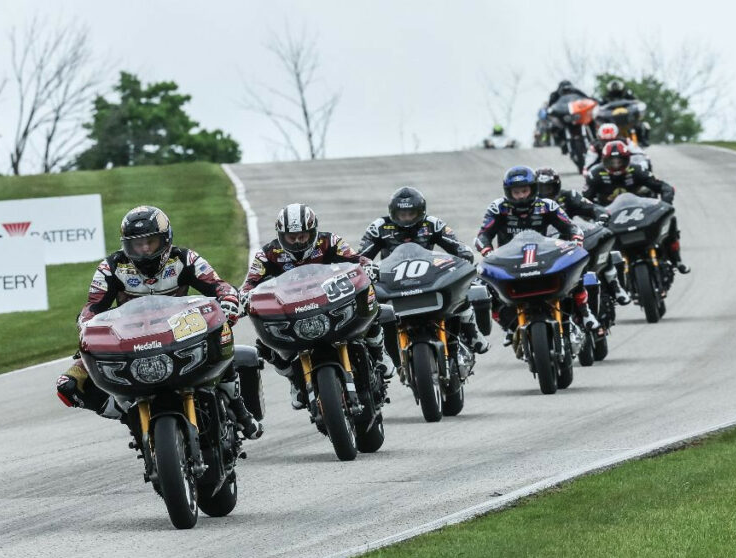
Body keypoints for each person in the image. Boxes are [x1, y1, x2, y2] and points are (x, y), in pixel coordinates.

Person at [55, 205, 263, 439]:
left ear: (165, 240)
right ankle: (130, 417)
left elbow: (219, 286)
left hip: (181, 333)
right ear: (126, 244)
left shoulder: (185, 258)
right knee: (67, 385)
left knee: (220, 335)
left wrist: (229, 301)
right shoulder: (111, 267)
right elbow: (93, 306)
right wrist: (86, 325)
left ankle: (240, 411)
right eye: (137, 244)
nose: (144, 249)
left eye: (150, 242)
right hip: (132, 340)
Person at [241, 203, 396, 409]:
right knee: (265, 345)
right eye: (291, 237)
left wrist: (368, 267)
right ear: (281, 235)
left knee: (369, 302)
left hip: (330, 301)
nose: (297, 242)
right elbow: (250, 283)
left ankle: (378, 352)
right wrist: (244, 297)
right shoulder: (267, 254)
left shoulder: (329, 241)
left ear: (313, 232)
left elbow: (356, 259)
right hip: (293, 310)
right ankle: (295, 380)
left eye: (303, 236)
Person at [476, 166, 600, 345]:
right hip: (509, 262)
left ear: (533, 189)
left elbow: (571, 227)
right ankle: (509, 327)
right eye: (516, 192)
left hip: (545, 257)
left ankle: (585, 312)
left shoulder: (547, 205)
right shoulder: (498, 208)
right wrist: (487, 251)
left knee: (577, 265)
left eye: (524, 191)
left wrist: (576, 240)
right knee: (481, 285)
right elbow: (483, 235)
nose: (520, 196)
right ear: (508, 191)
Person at [359, 186, 490, 354]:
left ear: (420, 212)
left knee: (461, 289)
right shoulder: (379, 227)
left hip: (429, 278)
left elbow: (457, 246)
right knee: (369, 305)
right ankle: (380, 352)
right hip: (393, 282)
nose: (406, 219)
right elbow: (361, 257)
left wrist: (464, 254)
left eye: (411, 214)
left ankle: (472, 332)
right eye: (402, 215)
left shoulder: (433, 223)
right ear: (393, 213)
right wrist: (365, 268)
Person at [582, 141, 690, 274]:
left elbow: (664, 187)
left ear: (627, 160)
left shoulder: (637, 170)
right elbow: (585, 201)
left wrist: (666, 204)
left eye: (620, 161)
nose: (616, 165)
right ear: (604, 160)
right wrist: (593, 216)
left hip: (642, 214)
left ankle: (677, 259)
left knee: (670, 220)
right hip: (612, 218)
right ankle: (608, 281)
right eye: (612, 162)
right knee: (597, 241)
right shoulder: (595, 174)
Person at [535, 168, 632, 305]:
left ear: (556, 186)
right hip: (546, 246)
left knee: (600, 241)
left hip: (572, 239)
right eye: (541, 188)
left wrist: (601, 216)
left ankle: (615, 285)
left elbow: (593, 207)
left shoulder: (569, 196)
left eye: (548, 188)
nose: (545, 192)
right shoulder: (530, 206)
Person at [583, 122, 651, 174]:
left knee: (644, 162)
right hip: (605, 172)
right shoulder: (595, 146)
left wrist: (643, 160)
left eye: (612, 140)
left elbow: (639, 153)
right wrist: (588, 171)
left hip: (626, 169)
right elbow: (589, 163)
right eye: (605, 141)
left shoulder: (625, 141)